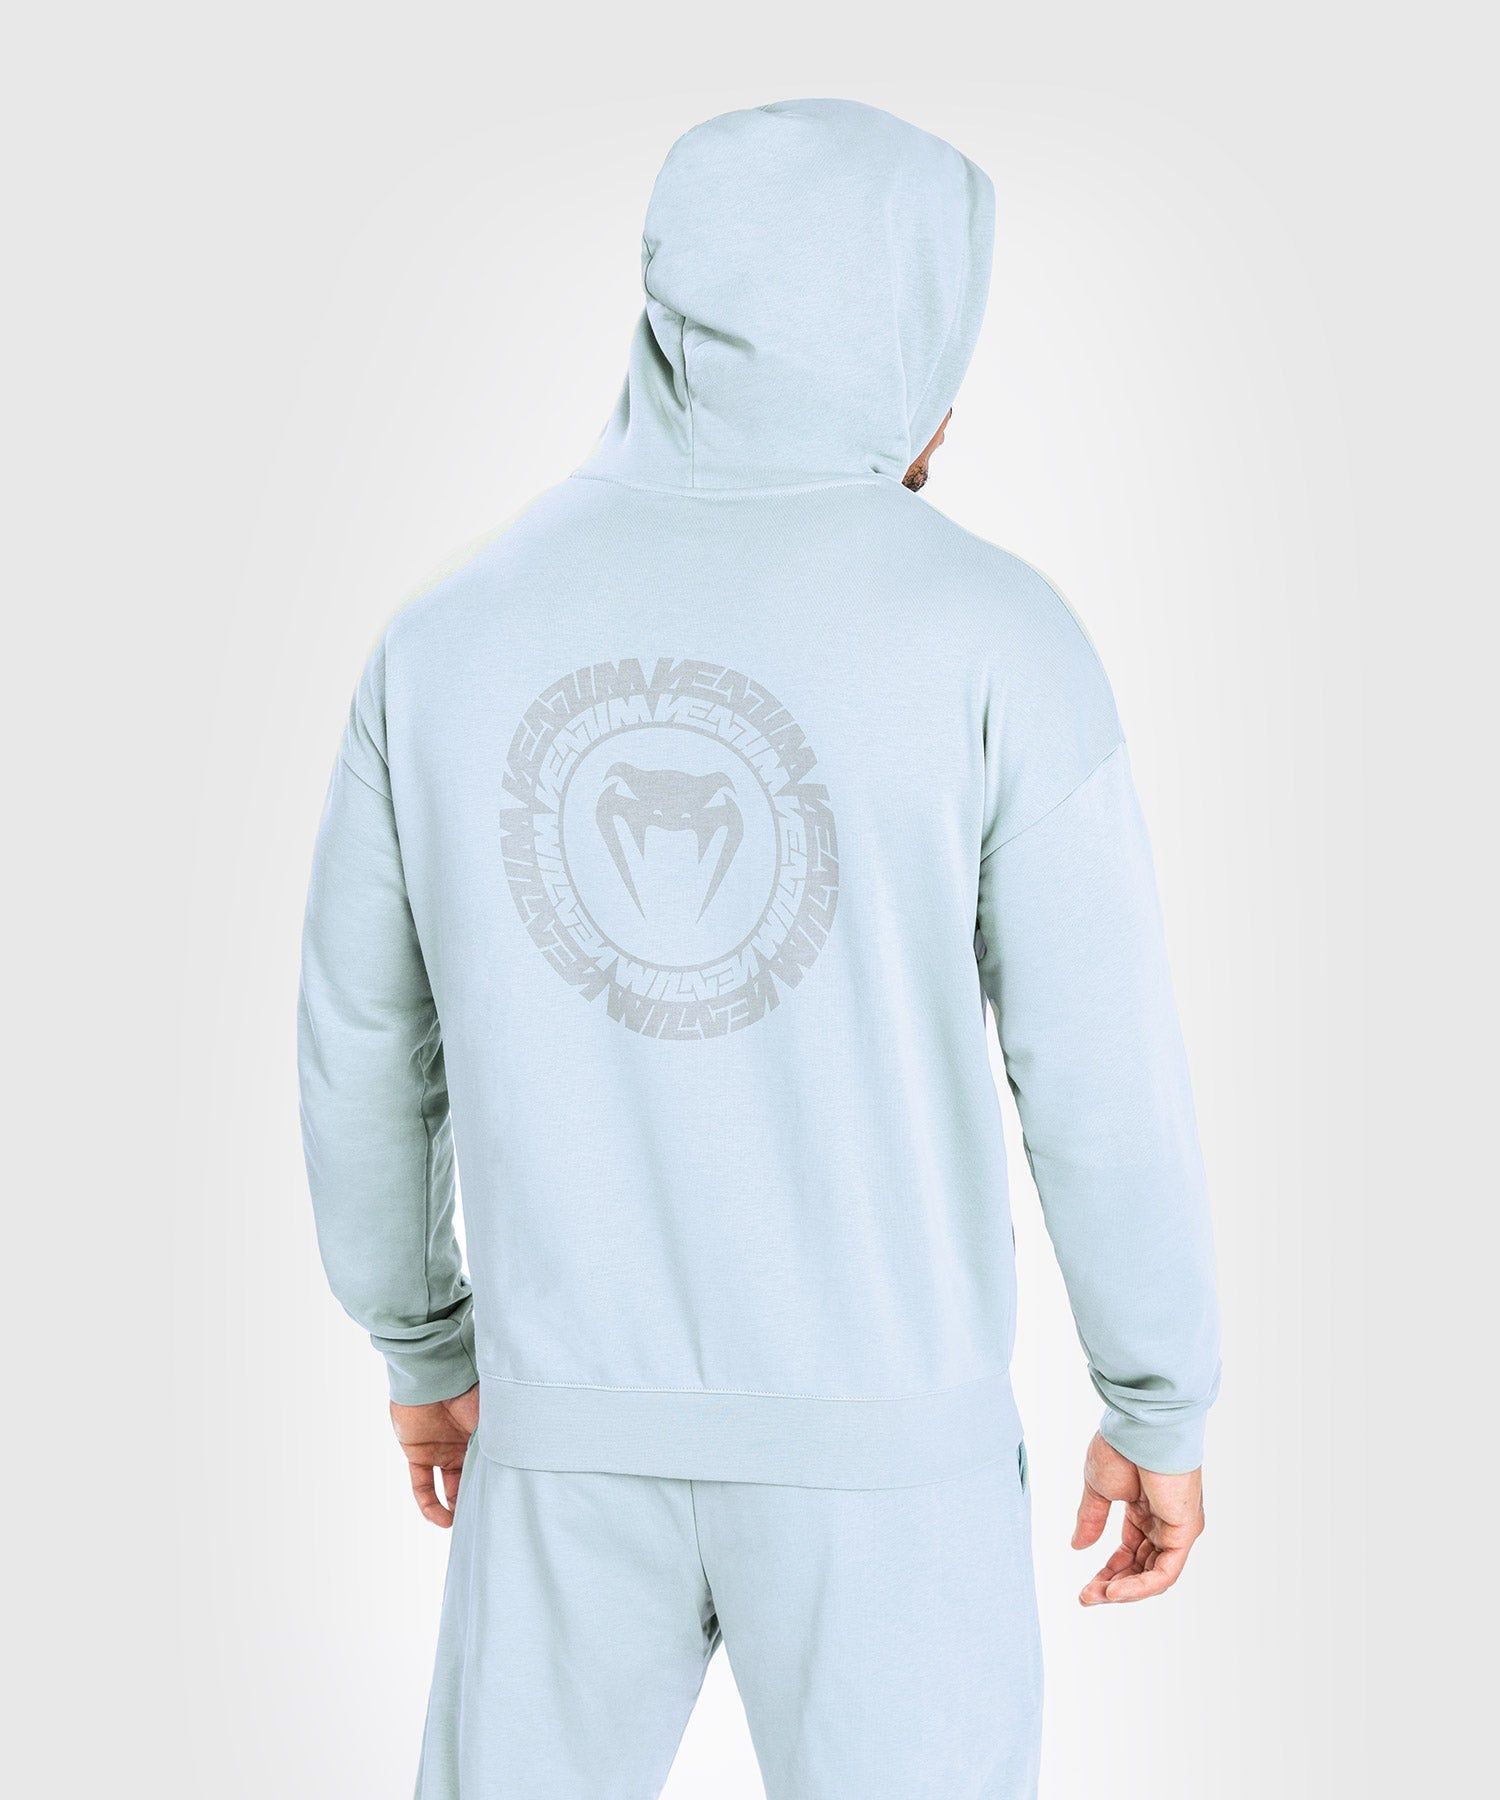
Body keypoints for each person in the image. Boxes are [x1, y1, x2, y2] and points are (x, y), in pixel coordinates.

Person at [299, 98, 1220, 1798]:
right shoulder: (999, 637)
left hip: (563, 1442)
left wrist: (421, 1345)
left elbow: (363, 1041)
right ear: (915, 336)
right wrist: (1156, 1400)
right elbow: (1102, 1077)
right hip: (894, 1470)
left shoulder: (446, 639)